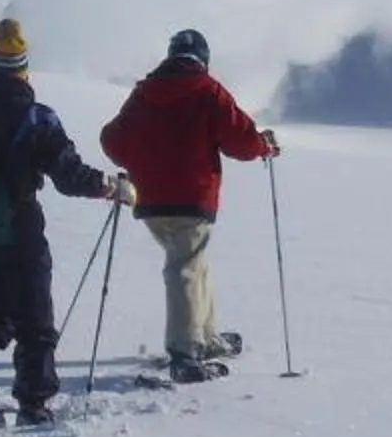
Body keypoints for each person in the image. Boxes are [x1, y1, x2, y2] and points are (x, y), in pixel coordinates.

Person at [0, 17, 129, 426]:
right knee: (34, 317)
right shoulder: (37, 119)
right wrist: (108, 186)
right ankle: (34, 400)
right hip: (19, 228)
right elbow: (68, 176)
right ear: (24, 70)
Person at [98, 27, 280, 382]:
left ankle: (206, 336)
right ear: (203, 60)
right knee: (186, 266)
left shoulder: (144, 94)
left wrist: (141, 157)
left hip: (150, 200)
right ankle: (184, 350)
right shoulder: (207, 91)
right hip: (193, 197)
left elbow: (113, 140)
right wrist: (263, 146)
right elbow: (240, 141)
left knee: (195, 264)